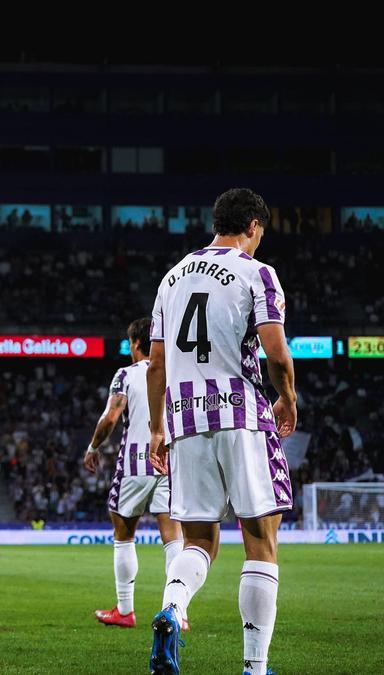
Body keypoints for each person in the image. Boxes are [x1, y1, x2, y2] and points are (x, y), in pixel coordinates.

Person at [146, 188, 297, 675]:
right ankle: (255, 667)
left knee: (197, 542)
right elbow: (275, 353)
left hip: (185, 420)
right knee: (260, 538)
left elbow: (156, 364)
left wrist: (156, 429)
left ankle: (173, 607)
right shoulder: (256, 272)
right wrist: (288, 398)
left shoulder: (172, 278)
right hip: (241, 415)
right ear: (253, 225)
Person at [84, 318, 181, 628]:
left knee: (124, 535)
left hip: (135, 463)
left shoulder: (126, 374)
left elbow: (111, 417)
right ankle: (177, 611)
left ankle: (125, 611)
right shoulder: (175, 371)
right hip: (170, 461)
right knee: (173, 537)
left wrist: (94, 447)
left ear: (137, 344)